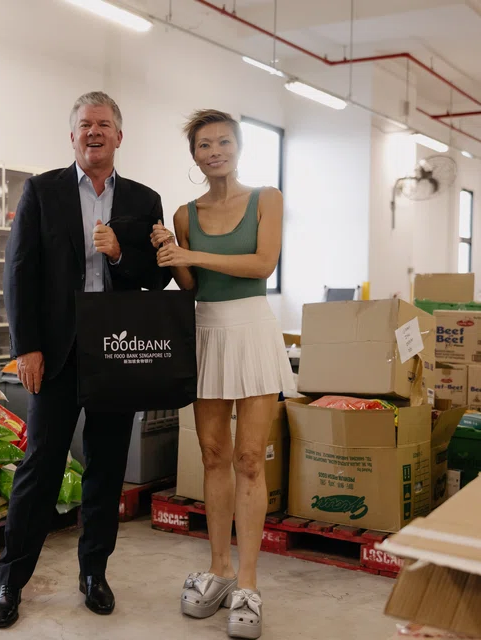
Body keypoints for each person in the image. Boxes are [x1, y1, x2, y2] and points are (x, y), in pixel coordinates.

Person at [0, 91, 172, 629]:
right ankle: (10, 580)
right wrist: (26, 347)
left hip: (117, 351)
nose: (95, 132)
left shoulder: (143, 199)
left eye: (104, 124)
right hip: (57, 351)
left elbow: (156, 277)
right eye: (86, 124)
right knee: (41, 465)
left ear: (119, 136)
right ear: (72, 136)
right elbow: (19, 270)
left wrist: (120, 253)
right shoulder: (42, 191)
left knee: (107, 467)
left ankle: (94, 573)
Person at [151, 109, 296, 640]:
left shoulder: (266, 199)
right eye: (204, 145)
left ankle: (249, 584)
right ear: (194, 155)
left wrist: (191, 252)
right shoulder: (185, 213)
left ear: (239, 147)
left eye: (224, 142)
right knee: (213, 455)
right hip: (206, 331)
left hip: (253, 330)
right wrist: (170, 254)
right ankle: (219, 570)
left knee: (250, 459)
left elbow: (262, 265)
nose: (215, 152)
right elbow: (191, 284)